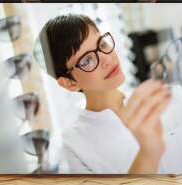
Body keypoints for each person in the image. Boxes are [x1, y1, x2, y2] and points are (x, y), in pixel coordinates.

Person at [43, 14, 171, 174]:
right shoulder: (72, 146)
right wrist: (148, 154)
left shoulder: (158, 97)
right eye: (87, 60)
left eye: (102, 44)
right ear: (70, 83)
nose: (107, 59)